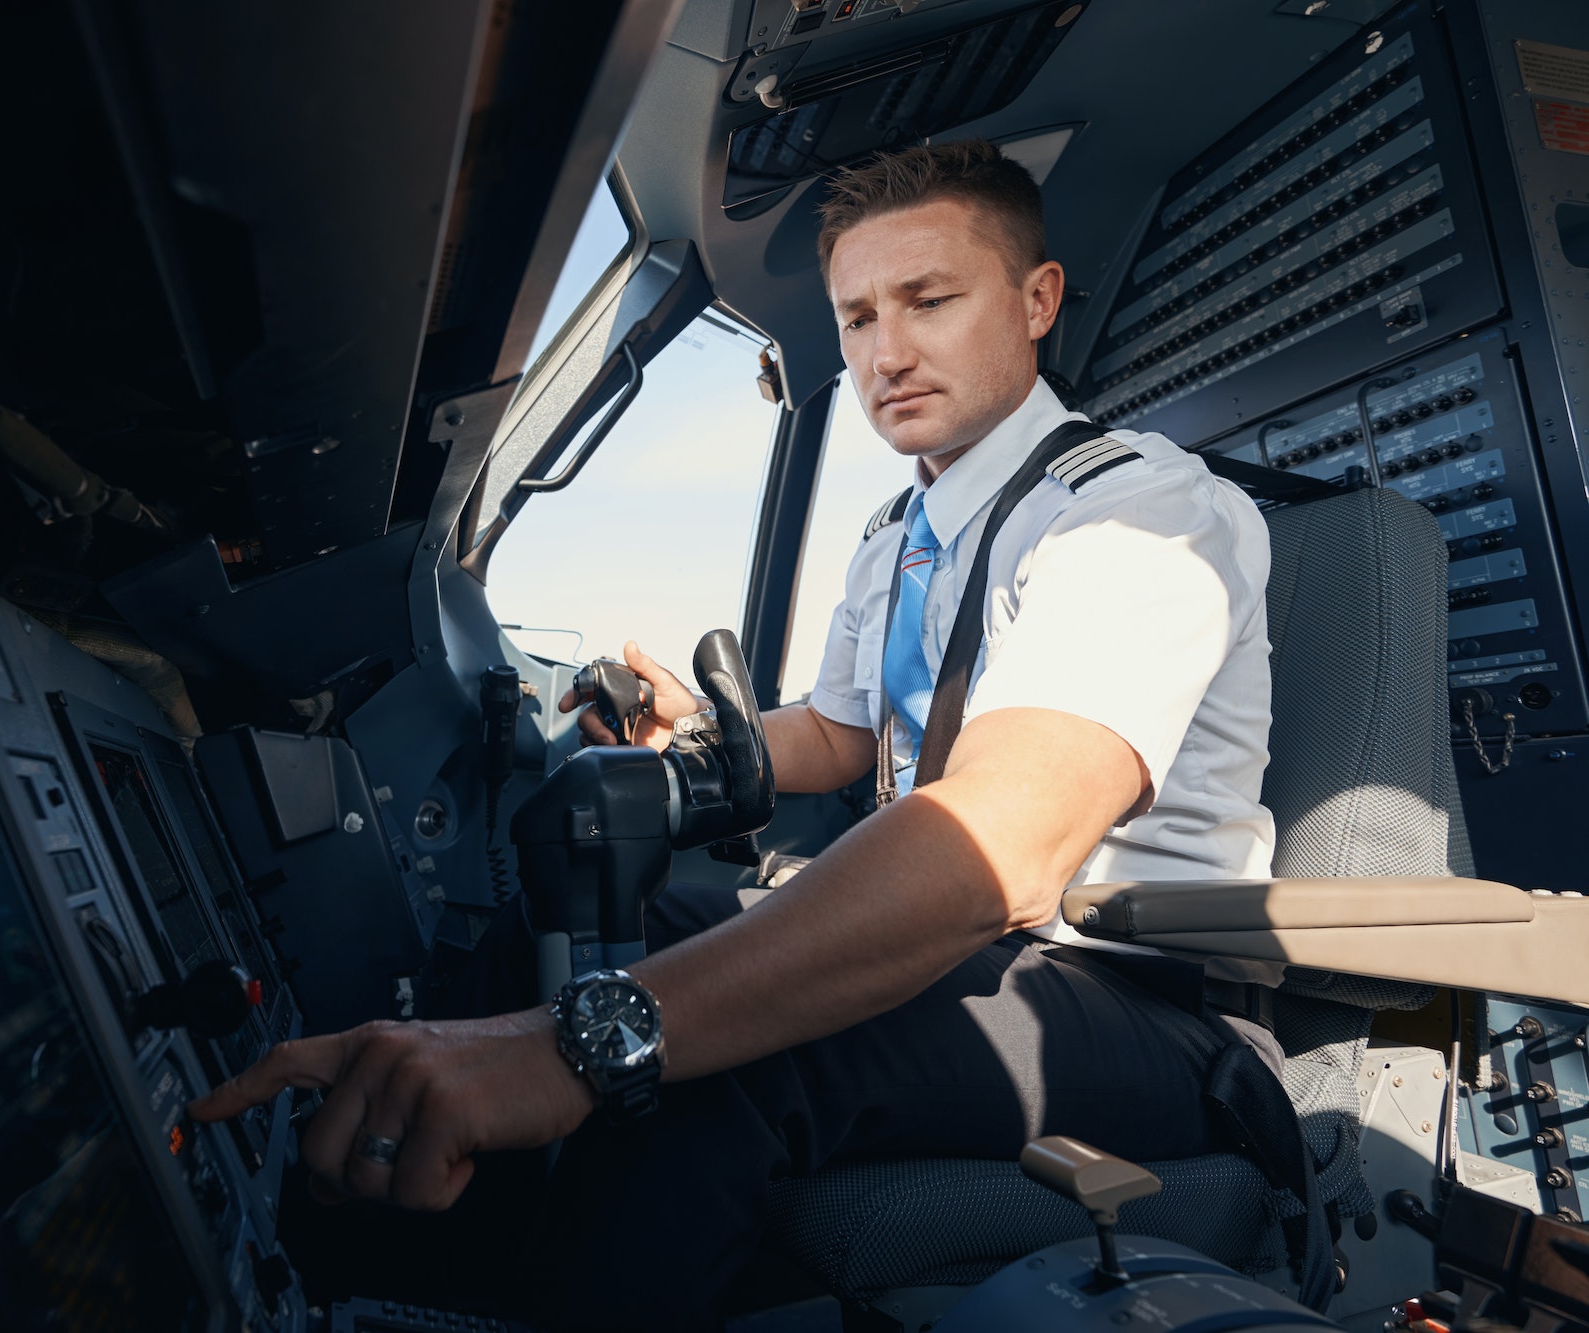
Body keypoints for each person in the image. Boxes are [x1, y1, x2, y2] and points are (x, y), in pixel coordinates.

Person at [192, 138, 1281, 1329]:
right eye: (856, 316)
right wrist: (711, 736)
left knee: (722, 1056)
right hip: (987, 957)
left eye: (929, 301)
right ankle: (385, 1285)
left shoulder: (1137, 513)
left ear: (1034, 301)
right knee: (595, 923)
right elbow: (841, 731)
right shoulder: (899, 530)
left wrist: (565, 1053)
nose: (886, 351)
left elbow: (999, 847)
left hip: (1132, 1001)